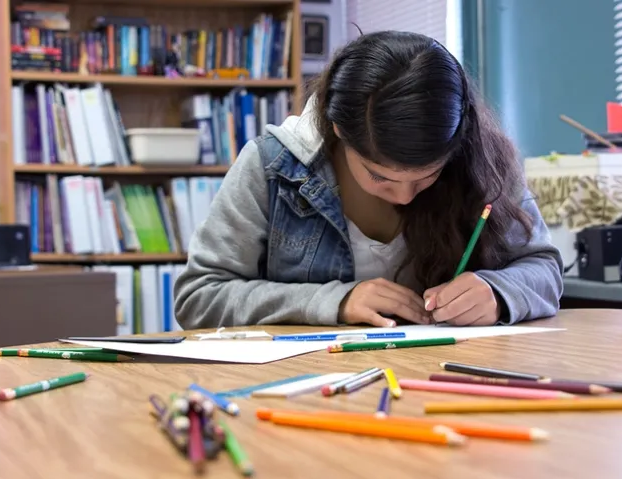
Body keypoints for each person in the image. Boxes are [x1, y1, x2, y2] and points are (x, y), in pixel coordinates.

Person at [173, 31, 564, 330]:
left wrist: (499, 293)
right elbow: (199, 297)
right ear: (339, 130)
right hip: (304, 393)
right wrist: (334, 303)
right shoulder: (271, 167)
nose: (406, 197)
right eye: (379, 176)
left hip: (446, 379)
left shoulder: (484, 162)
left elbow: (543, 267)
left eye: (427, 175)